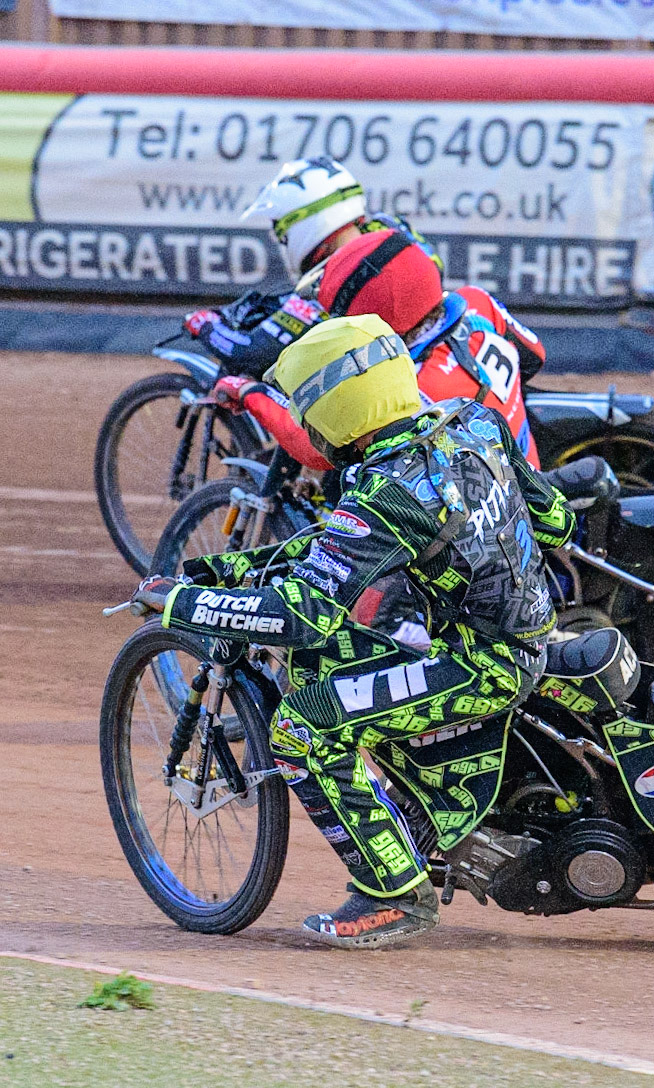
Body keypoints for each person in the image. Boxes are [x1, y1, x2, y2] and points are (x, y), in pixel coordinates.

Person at [131, 314, 576, 949]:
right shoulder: (473, 421)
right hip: (525, 631)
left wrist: (184, 603)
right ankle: (424, 814)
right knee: (334, 669)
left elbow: (300, 615)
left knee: (301, 728)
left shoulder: (386, 488)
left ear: (335, 413)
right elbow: (554, 520)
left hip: (484, 662)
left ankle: (393, 895)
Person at [212, 229, 544, 471]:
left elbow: (319, 449)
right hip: (523, 469)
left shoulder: (411, 385)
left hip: (471, 524)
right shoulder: (478, 301)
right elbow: (535, 355)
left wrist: (253, 394)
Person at [183, 156, 441, 375]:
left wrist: (205, 324)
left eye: (283, 233)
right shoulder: (395, 231)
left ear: (304, 223)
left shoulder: (324, 282)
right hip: (445, 349)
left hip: (387, 384)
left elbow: (251, 353)